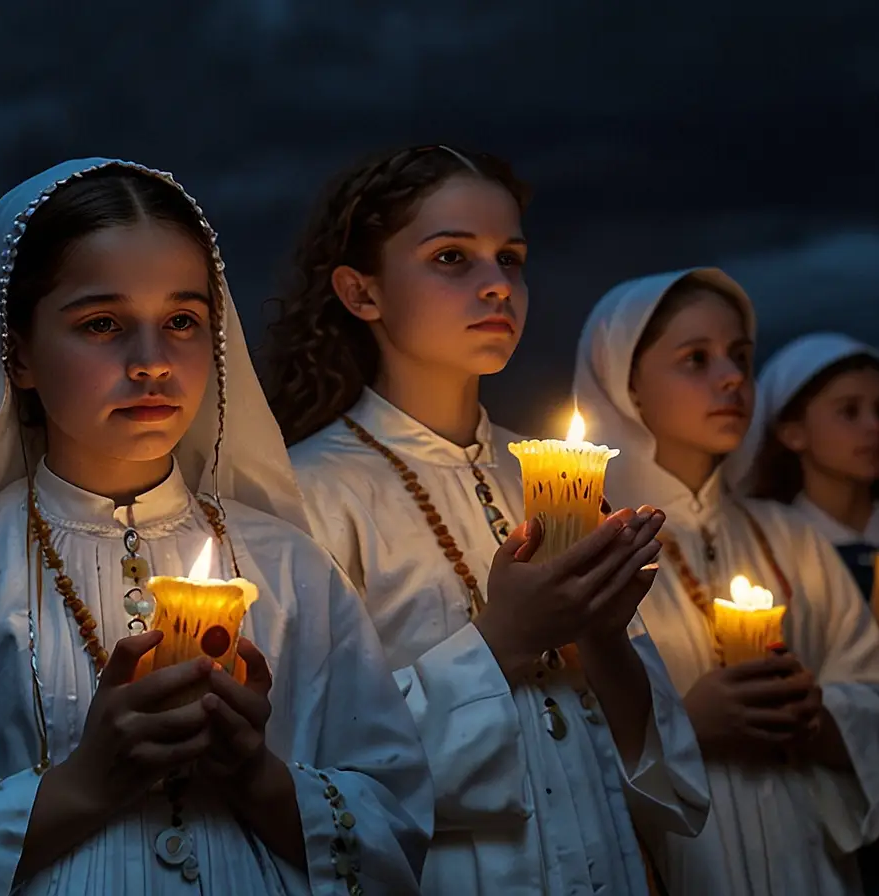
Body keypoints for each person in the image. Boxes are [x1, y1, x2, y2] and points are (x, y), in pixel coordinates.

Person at [0, 159, 433, 895]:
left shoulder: (293, 571)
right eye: (102, 324)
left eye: (183, 322)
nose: (152, 363)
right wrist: (83, 786)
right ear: (19, 352)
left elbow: (396, 820)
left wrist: (258, 778)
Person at [263, 144, 709, 895]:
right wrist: (503, 640)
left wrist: (603, 638)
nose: (497, 286)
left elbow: (659, 773)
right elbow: (308, 773)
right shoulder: (310, 496)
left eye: (511, 258)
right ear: (360, 292)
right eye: (451, 258)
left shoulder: (552, 477)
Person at [574, 268, 879, 895]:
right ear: (628, 386)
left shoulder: (791, 537)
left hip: (803, 849)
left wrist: (818, 716)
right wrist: (686, 724)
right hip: (684, 857)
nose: (731, 377)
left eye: (742, 358)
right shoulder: (593, 545)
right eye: (695, 359)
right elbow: (553, 733)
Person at [728, 331, 879, 892]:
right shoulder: (776, 549)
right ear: (791, 430)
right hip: (827, 792)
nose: (873, 428)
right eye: (848, 412)